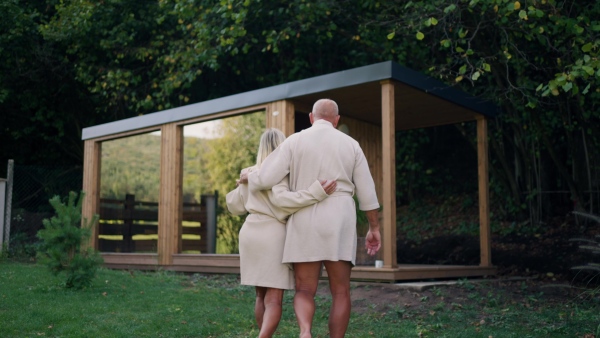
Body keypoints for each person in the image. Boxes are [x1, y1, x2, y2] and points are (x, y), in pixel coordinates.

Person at [244, 99, 381, 338]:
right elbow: (367, 192)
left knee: (305, 289)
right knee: (341, 291)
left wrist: (249, 176)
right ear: (337, 120)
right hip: (339, 218)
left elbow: (266, 178)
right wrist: (373, 227)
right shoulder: (351, 145)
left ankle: (305, 332)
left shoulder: (294, 141)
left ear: (310, 117)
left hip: (304, 217)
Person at [226, 128, 338, 338]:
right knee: (274, 299)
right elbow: (284, 202)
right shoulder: (282, 175)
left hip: (250, 233)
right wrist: (316, 192)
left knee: (260, 296)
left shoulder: (250, 173)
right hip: (272, 235)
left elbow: (235, 208)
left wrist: (241, 184)